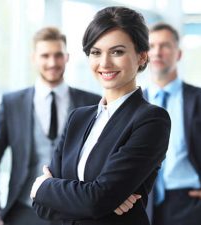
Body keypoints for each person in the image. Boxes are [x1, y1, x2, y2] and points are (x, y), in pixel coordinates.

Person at [30, 6, 171, 225]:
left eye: (117, 52)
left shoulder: (151, 120)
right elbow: (41, 206)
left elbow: (97, 200)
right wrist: (98, 201)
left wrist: (44, 187)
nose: (104, 63)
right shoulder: (78, 118)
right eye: (96, 52)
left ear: (142, 56)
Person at [0, 27, 101, 225]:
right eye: (45, 55)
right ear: (34, 58)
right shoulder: (12, 103)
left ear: (66, 57)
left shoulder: (92, 103)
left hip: (75, 212)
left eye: (58, 55)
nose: (52, 63)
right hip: (23, 211)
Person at [144, 23, 201, 225]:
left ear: (178, 54)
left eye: (165, 46)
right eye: (151, 46)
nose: (157, 52)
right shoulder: (133, 104)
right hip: (142, 204)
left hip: (190, 204)